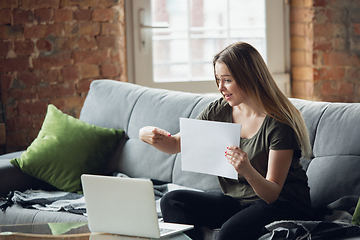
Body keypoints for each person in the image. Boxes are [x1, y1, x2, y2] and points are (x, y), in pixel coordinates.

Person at [139, 42, 313, 240]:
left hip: (282, 203)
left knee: (228, 234)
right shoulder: (219, 110)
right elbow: (175, 144)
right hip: (238, 201)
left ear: (249, 78)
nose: (221, 88)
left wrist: (246, 169)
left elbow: (272, 193)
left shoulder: (279, 124)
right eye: (218, 80)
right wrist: (145, 133)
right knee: (172, 201)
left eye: (227, 80)